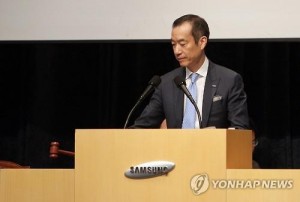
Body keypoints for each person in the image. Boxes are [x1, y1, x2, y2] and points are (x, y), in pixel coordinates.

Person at [131, 14, 249, 129]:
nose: (177, 51)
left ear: (202, 42)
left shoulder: (229, 80)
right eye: (173, 44)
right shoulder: (166, 83)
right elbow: (142, 126)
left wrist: (214, 136)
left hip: (212, 148)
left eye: (183, 44)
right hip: (175, 148)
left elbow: (240, 129)